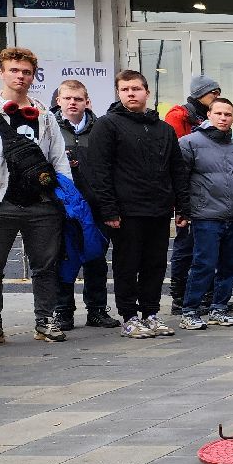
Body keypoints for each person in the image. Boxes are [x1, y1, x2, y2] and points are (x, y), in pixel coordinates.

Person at [88, 69, 190, 339]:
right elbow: (100, 170)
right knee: (127, 264)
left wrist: (183, 208)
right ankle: (129, 317)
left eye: (136, 88)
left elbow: (177, 170)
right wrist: (108, 209)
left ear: (147, 92)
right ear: (119, 93)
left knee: (155, 264)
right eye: (125, 89)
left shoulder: (165, 129)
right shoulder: (107, 125)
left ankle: (151, 313)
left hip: (158, 209)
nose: (131, 93)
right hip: (125, 211)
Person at [0, 47, 73, 345]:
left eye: (26, 72)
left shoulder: (45, 115)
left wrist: (62, 196)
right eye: (14, 70)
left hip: (42, 204)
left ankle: (46, 321)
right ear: (2, 72)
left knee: (45, 267)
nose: (20, 76)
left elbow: (59, 158)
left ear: (33, 76)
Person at [176, 97, 233, 330]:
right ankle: (190, 310)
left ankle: (219, 308)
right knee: (204, 264)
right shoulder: (189, 143)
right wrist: (183, 210)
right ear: (208, 115)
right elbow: (181, 179)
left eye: (228, 114)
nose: (223, 118)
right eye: (218, 113)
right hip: (205, 216)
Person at [51, 79, 118, 330]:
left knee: (96, 259)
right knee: (64, 259)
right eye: (67, 98)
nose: (72, 103)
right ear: (59, 100)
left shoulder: (101, 128)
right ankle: (63, 311)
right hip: (62, 207)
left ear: (86, 101)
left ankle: (97, 310)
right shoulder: (49, 127)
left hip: (95, 206)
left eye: (78, 99)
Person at [164, 74, 222, 315]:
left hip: (208, 192)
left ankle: (206, 294)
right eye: (212, 93)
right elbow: (176, 155)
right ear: (200, 93)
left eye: (218, 93)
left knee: (208, 247)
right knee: (186, 244)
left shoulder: (208, 116)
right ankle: (179, 296)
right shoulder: (179, 116)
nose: (216, 97)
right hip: (187, 191)